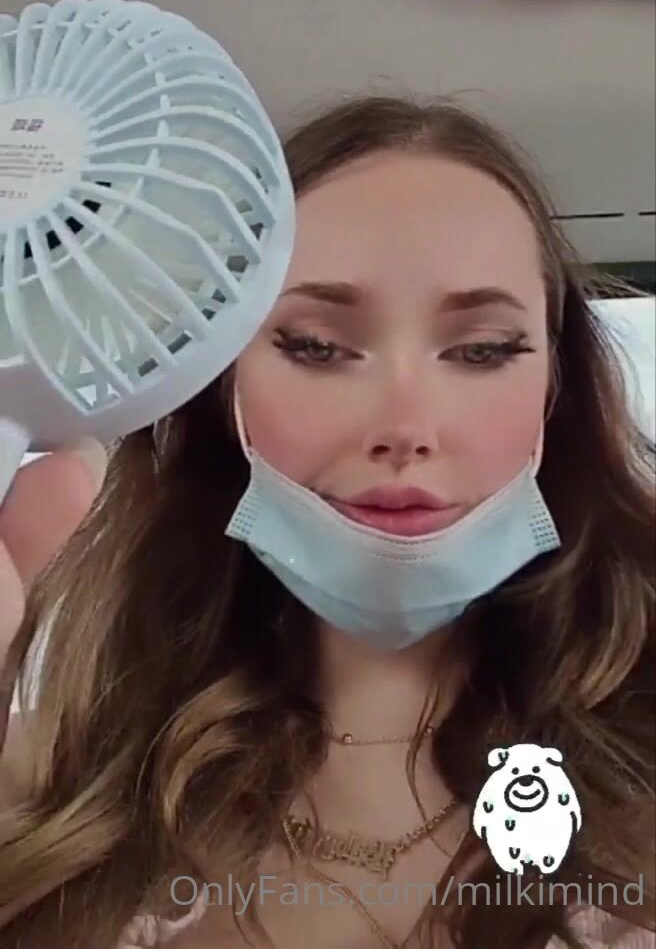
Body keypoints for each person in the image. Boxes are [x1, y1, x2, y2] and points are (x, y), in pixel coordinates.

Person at [1, 94, 654, 949]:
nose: (407, 428)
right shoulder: (53, 795)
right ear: (222, 390)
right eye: (315, 346)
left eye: (483, 350)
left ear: (555, 393)